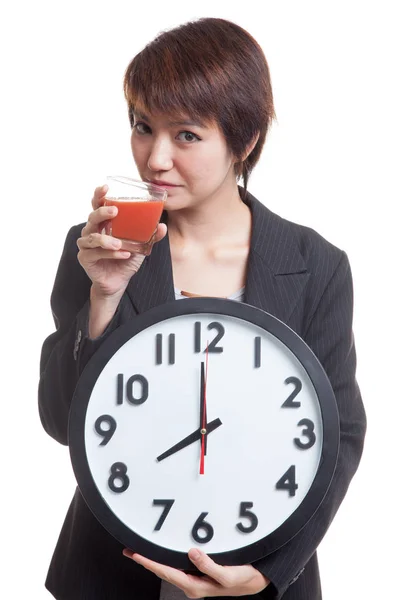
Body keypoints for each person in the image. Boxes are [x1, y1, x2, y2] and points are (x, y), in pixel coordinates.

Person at [38, 17, 366, 600]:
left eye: (186, 135)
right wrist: (104, 295)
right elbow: (64, 422)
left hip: (255, 569)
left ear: (244, 141)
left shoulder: (316, 265)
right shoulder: (98, 248)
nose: (155, 159)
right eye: (143, 127)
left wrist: (266, 573)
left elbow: (339, 434)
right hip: (109, 572)